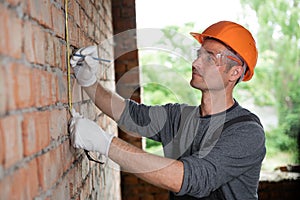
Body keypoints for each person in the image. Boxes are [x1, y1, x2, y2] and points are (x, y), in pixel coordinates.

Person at [69, 21, 266, 200]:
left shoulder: (246, 132)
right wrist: (88, 81)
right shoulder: (180, 117)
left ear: (235, 72)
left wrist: (104, 144)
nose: (196, 63)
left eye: (210, 58)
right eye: (199, 55)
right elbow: (130, 115)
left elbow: (192, 179)